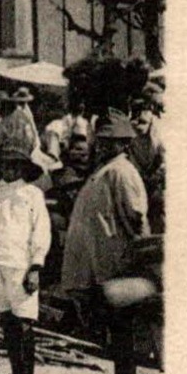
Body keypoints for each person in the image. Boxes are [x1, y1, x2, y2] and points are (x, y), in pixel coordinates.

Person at [0, 145, 52, 374]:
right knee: (6, 320)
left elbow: (41, 231)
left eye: (16, 165)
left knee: (24, 321)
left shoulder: (31, 194)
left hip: (20, 264)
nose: (10, 169)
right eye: (6, 164)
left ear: (24, 168)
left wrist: (36, 267)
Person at [60, 114, 149, 303]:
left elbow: (135, 216)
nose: (102, 145)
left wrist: (137, 256)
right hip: (90, 258)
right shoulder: (104, 169)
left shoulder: (121, 171)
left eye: (110, 142)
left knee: (108, 314)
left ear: (124, 144)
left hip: (108, 259)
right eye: (101, 140)